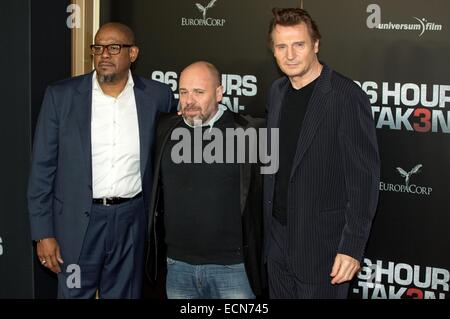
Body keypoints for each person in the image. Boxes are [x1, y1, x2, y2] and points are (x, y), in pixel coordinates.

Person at [27, 22, 175, 298]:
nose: (104, 54)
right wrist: (42, 233)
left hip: (132, 221)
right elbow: (42, 169)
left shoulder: (157, 96)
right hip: (76, 224)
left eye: (114, 47)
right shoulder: (61, 97)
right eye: (97, 48)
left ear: (133, 54)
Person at [264, 8, 380, 298]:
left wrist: (351, 247)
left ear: (316, 45)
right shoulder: (277, 91)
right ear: (274, 51)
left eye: (299, 45)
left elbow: (364, 181)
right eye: (281, 46)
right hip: (277, 237)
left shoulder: (346, 96)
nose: (290, 54)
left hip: (323, 247)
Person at [145, 61, 265, 299]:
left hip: (233, 269)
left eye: (199, 92)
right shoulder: (164, 129)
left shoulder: (250, 133)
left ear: (219, 93)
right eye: (183, 92)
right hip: (178, 266)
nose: (189, 100)